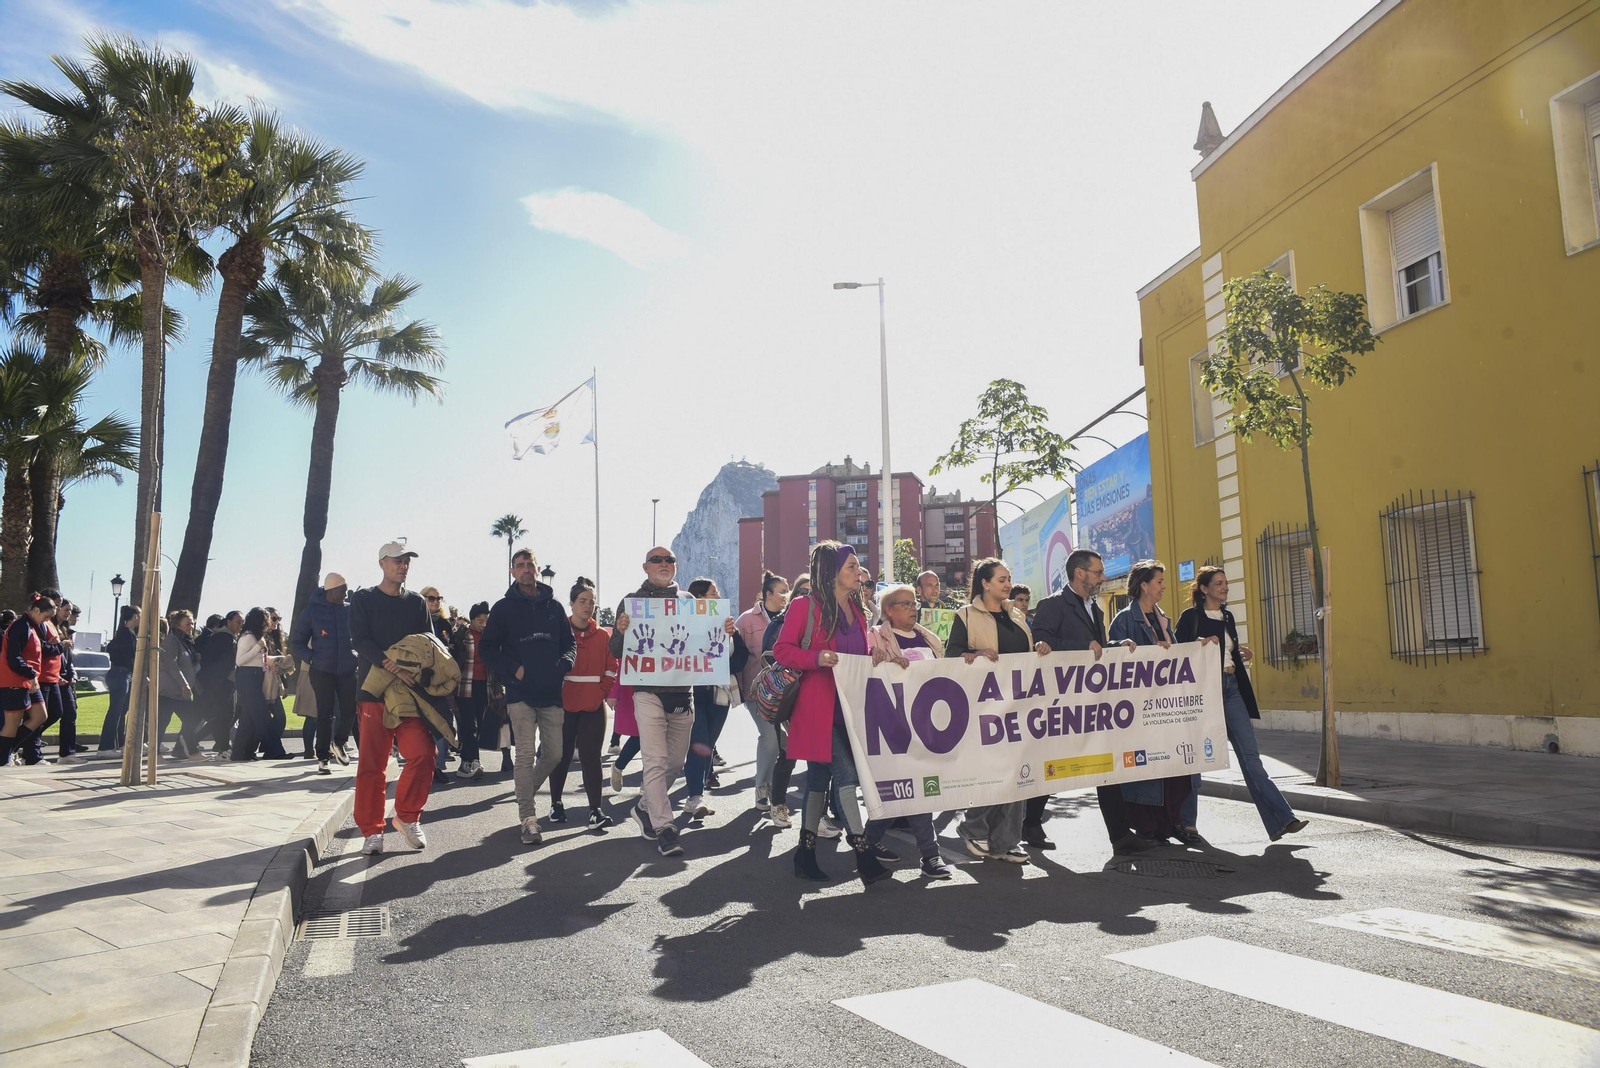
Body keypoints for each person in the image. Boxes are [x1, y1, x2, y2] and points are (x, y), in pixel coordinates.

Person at [608, 546, 737, 858]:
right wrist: (623, 632)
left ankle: (644, 807)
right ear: (645, 567)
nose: (664, 564)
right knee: (654, 761)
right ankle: (665, 828)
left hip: (683, 692)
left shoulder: (689, 602)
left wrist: (724, 631)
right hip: (648, 691)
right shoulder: (631, 602)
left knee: (675, 764)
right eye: (657, 560)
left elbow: (708, 642)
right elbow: (615, 649)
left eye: (670, 560)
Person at [774, 541, 889, 884]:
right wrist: (816, 658)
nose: (859, 573)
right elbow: (782, 651)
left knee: (818, 781)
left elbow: (860, 655)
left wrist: (877, 657)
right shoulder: (804, 606)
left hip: (849, 707)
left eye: (857, 567)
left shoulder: (856, 610)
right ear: (831, 572)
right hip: (818, 709)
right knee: (846, 776)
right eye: (851, 567)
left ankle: (804, 854)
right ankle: (863, 851)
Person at [1031, 549, 1156, 856]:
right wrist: (1081, 646)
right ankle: (1030, 822)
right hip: (1061, 704)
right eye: (1098, 573)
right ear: (1079, 573)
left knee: (1106, 765)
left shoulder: (1095, 608)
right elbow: (1041, 644)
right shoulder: (1052, 605)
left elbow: (1097, 649)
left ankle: (1120, 835)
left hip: (1094, 703)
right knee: (1052, 764)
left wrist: (1117, 644)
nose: (1103, 578)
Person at [1176, 565, 1309, 843]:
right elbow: (1178, 652)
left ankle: (1283, 819)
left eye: (1226, 583)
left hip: (1232, 686)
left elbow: (1227, 651)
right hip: (1204, 692)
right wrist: (1198, 643)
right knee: (1197, 756)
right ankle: (1186, 824)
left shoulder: (1227, 616)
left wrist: (1239, 652)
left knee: (1250, 757)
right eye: (1219, 583)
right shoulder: (1191, 616)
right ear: (1204, 589)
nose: (1225, 587)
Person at [481, 549, 576, 846]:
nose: (525, 570)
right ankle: (528, 819)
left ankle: (524, 793)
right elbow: (487, 649)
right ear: (513, 571)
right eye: (519, 566)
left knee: (555, 754)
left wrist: (563, 666)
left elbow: (570, 644)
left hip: (551, 693)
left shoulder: (554, 606)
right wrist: (515, 670)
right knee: (524, 754)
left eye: (529, 565)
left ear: (536, 570)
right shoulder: (503, 608)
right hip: (520, 694)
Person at [350, 541, 436, 854]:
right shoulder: (363, 598)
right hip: (373, 692)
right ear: (382, 563)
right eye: (398, 560)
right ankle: (372, 831)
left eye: (407, 561)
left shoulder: (417, 603)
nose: (403, 565)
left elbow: (429, 643)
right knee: (373, 765)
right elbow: (360, 639)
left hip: (410, 695)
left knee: (423, 753)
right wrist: (390, 665)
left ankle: (407, 817)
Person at [946, 559, 1034, 864]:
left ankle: (1006, 842)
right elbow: (951, 655)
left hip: (1019, 705)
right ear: (984, 583)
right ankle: (972, 827)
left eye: (1009, 579)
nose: (1008, 584)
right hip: (985, 707)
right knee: (995, 772)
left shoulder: (1017, 614)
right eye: (1001, 580)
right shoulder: (966, 615)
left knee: (1019, 773)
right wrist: (975, 654)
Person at [866, 583, 953, 878]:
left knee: (905, 792)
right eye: (905, 604)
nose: (913, 607)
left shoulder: (928, 638)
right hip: (896, 728)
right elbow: (866, 671)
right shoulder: (877, 637)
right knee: (915, 790)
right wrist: (885, 662)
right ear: (888, 610)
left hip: (929, 727)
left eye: (913, 603)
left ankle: (868, 841)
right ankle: (930, 856)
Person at [1109, 561, 1197, 843]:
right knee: (1146, 770)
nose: (1164, 586)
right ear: (1144, 585)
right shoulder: (1123, 620)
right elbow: (1117, 663)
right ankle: (1147, 826)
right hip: (1139, 710)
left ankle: (1173, 823)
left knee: (1174, 767)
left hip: (1168, 707)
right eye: (1159, 581)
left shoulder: (1163, 619)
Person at [551, 578, 618, 831]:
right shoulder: (559, 632)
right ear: (571, 604)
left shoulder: (603, 635)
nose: (588, 606)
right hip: (563, 706)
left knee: (592, 758)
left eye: (592, 602)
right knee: (561, 756)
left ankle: (595, 810)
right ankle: (556, 804)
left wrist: (600, 692)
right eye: (583, 601)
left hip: (592, 707)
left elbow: (612, 668)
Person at [680, 577, 742, 821]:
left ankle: (697, 793)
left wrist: (732, 636)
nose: (718, 597)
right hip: (692, 691)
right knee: (700, 742)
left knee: (708, 744)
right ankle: (695, 797)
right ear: (700, 599)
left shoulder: (727, 625)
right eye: (713, 594)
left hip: (718, 693)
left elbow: (738, 661)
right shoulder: (683, 624)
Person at [291, 573, 359, 775]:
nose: (345, 595)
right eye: (342, 591)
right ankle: (323, 759)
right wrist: (312, 658)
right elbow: (297, 643)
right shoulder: (311, 612)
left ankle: (338, 743)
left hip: (348, 669)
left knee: (349, 710)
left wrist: (356, 655)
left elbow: (360, 636)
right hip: (321, 670)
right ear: (330, 591)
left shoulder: (349, 610)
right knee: (325, 714)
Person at [735, 571, 788, 815]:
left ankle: (775, 790)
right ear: (768, 594)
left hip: (787, 692)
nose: (786, 596)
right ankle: (762, 788)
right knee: (769, 738)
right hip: (756, 692)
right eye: (782, 592)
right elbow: (735, 656)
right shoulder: (746, 621)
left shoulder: (791, 619)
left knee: (784, 744)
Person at [0, 594, 55, 766]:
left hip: (27, 679)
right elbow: (13, 656)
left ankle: (8, 751)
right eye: (45, 617)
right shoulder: (21, 626)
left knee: (40, 715)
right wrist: (31, 674)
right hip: (15, 680)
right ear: (37, 610)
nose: (46, 621)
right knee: (12, 722)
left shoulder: (30, 626)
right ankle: (3, 758)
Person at [449, 600, 491, 780]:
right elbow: (453, 655)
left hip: (484, 685)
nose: (483, 624)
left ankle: (465, 762)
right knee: (468, 724)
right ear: (472, 620)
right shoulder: (462, 635)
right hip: (464, 685)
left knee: (479, 725)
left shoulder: (490, 636)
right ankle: (474, 760)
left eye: (485, 621)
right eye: (480, 621)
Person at [420, 585, 456, 780]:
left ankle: (438, 767)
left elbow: (451, 648)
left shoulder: (444, 623)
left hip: (441, 679)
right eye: (430, 598)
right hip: (419, 679)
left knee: (444, 721)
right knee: (422, 724)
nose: (435, 602)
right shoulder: (414, 620)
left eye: (438, 598)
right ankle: (424, 764)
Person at [159, 610, 204, 760]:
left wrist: (195, 684)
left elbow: (189, 666)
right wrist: (184, 684)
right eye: (188, 623)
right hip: (169, 691)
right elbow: (170, 664)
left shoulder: (186, 642)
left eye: (192, 623)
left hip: (182, 693)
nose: (191, 626)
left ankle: (192, 752)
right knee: (162, 723)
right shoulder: (172, 640)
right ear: (178, 624)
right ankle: (155, 753)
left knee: (190, 720)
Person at [95, 605, 140, 750]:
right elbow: (130, 658)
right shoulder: (128, 634)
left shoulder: (122, 632)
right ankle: (106, 747)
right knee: (116, 711)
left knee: (120, 710)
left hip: (119, 674)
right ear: (135, 617)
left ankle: (119, 743)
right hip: (121, 674)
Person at [197, 613, 241, 756]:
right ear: (228, 622)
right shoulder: (224, 638)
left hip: (223, 682)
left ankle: (221, 747)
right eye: (238, 621)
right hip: (223, 683)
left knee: (225, 716)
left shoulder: (223, 637)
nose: (240, 625)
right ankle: (221, 748)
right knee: (225, 716)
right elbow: (224, 663)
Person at [51, 598, 85, 761]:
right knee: (51, 714)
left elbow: (68, 657)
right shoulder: (49, 627)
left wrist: (71, 674)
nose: (68, 613)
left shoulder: (65, 628)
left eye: (70, 611)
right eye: (66, 610)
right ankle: (24, 743)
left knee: (70, 713)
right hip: (53, 677)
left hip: (65, 677)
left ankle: (67, 752)